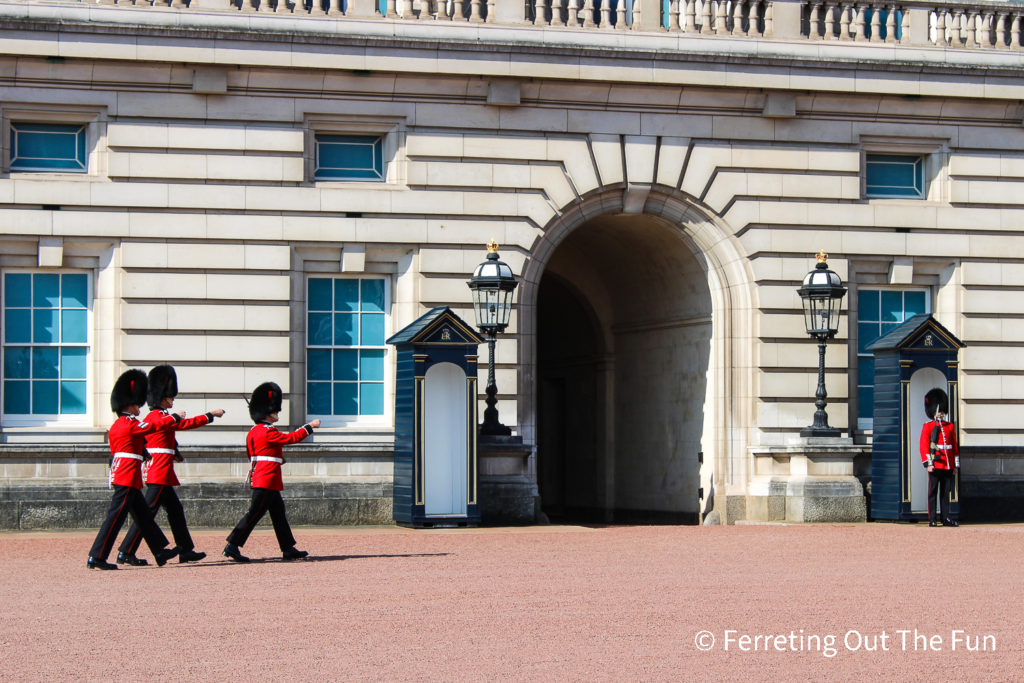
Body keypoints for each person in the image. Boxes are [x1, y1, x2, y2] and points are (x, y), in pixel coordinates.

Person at [115, 365, 226, 566]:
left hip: (163, 471)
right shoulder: (158, 417)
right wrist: (210, 415)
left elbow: (165, 440)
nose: (172, 400)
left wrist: (175, 453)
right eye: (170, 397)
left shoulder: (157, 417)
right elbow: (184, 424)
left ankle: (185, 549)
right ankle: (126, 550)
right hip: (158, 472)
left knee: (175, 510)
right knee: (146, 513)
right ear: (161, 397)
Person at [87, 369, 182, 570]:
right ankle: (97, 556)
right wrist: (173, 417)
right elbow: (151, 428)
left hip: (127, 474)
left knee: (144, 516)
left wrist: (145, 452)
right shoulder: (129, 423)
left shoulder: (119, 425)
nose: (140, 407)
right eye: (137, 403)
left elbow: (131, 444)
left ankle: (159, 551)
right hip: (126, 476)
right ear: (130, 404)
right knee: (115, 518)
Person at [223, 382, 320, 563]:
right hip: (266, 480)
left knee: (278, 514)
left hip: (265, 477)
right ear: (268, 412)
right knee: (254, 514)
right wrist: (309, 427)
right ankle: (232, 545)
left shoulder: (254, 432)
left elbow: (257, 454)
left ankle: (288, 548)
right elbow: (290, 438)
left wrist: (277, 458)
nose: (277, 413)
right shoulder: (268, 431)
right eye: (275, 411)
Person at [920, 387, 960, 527]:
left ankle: (945, 517)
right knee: (933, 492)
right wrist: (928, 463)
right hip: (936, 463)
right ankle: (932, 518)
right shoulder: (929, 426)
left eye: (942, 411)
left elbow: (954, 446)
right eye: (938, 410)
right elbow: (924, 446)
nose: (940, 413)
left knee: (945, 493)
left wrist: (955, 465)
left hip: (947, 464)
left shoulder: (949, 426)